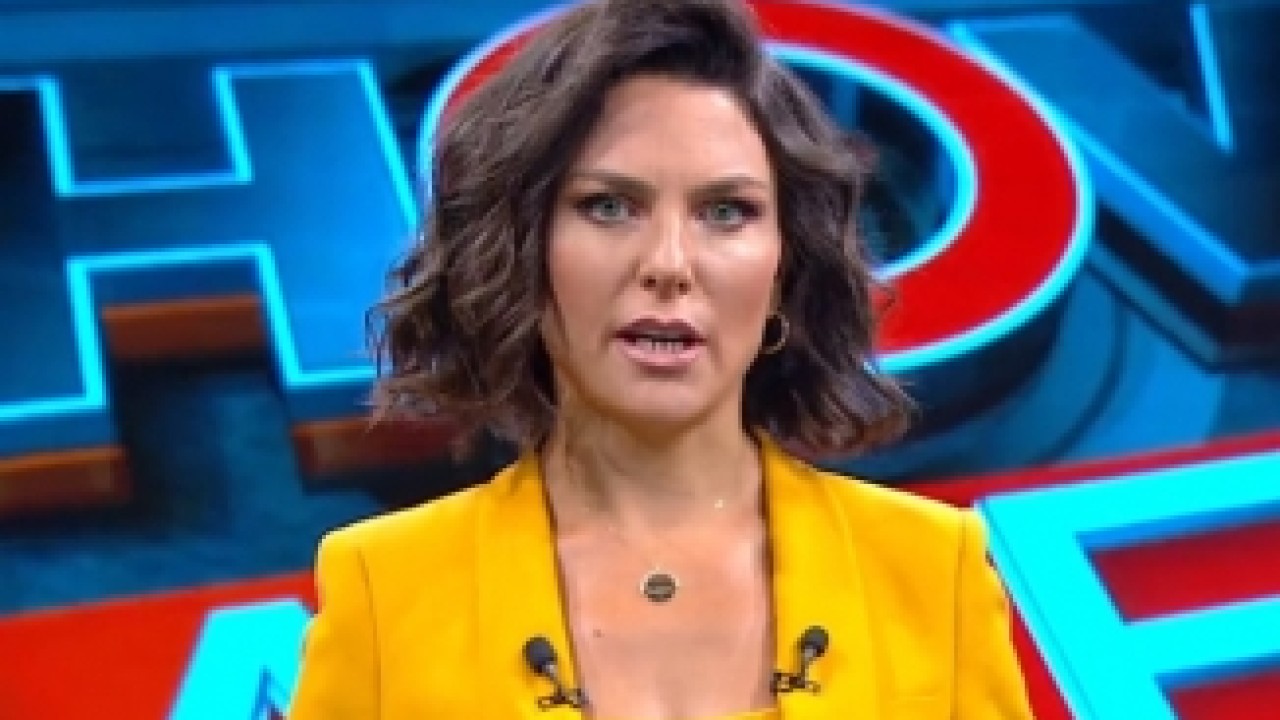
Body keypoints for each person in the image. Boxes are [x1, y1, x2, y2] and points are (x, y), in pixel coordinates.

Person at [287, 0, 1034, 717]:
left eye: (726, 212)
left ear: (784, 271)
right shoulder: (388, 592)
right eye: (609, 206)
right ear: (520, 253)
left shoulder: (932, 571)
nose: (669, 263)